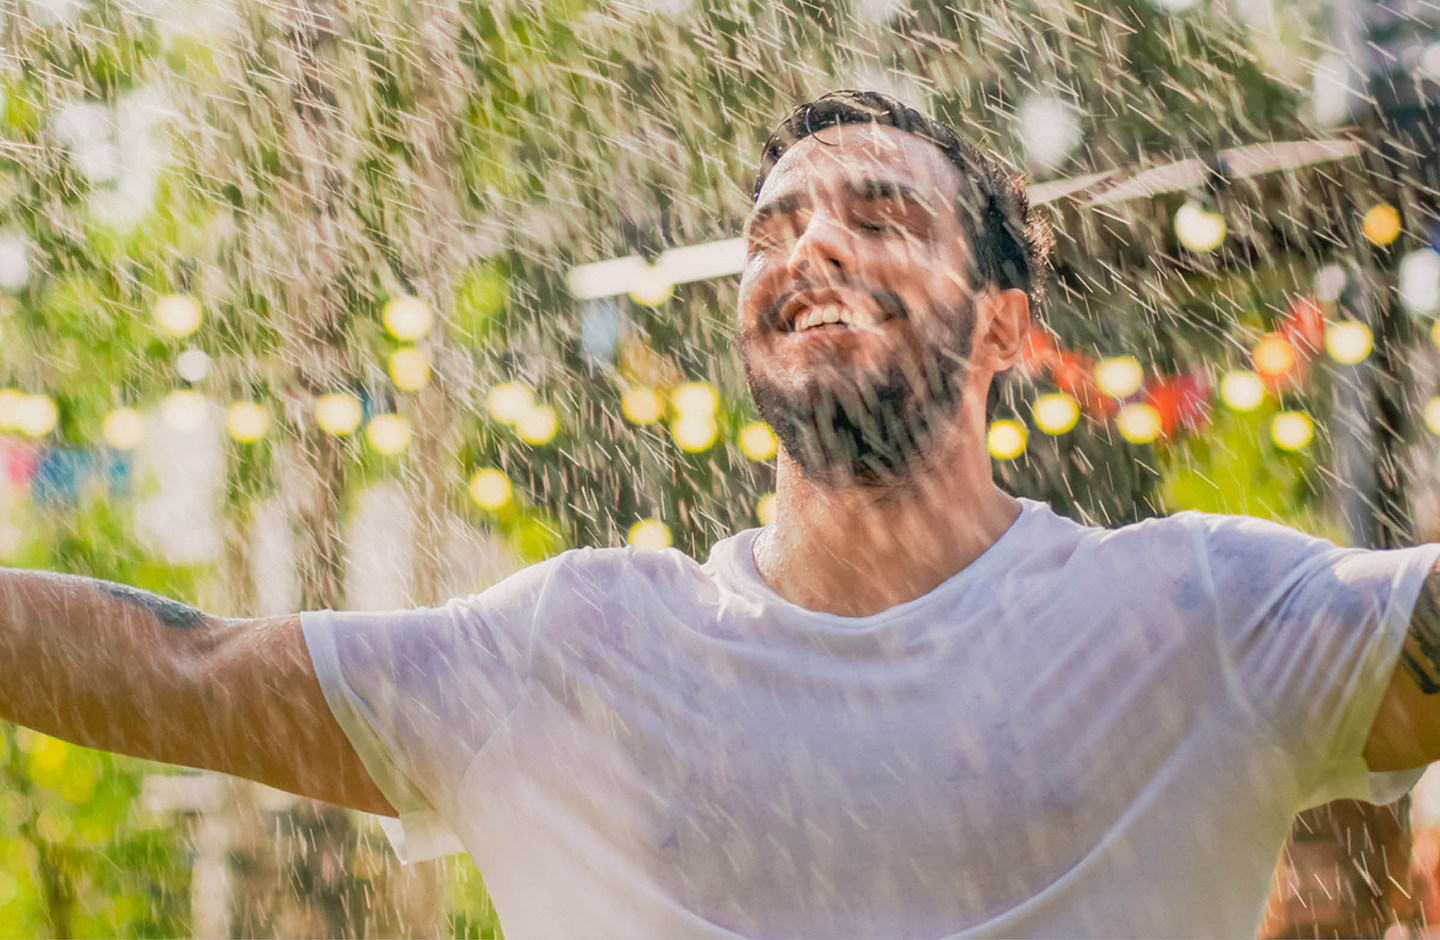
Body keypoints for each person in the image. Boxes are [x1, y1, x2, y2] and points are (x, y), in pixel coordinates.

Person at [2, 89, 1439, 938]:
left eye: (881, 217)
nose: (811, 241)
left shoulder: (1199, 615)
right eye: (775, 227)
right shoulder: (569, 649)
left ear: (1005, 325)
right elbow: (184, 667)